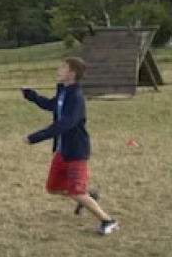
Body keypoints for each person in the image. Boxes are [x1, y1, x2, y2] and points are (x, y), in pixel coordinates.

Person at [23, 56, 118, 235]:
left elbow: (65, 123)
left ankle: (108, 221)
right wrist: (31, 95)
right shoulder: (64, 92)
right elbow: (52, 105)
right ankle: (86, 197)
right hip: (62, 151)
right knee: (53, 188)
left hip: (75, 151)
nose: (59, 70)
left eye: (63, 68)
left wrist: (36, 137)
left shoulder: (76, 97)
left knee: (75, 192)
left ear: (71, 74)